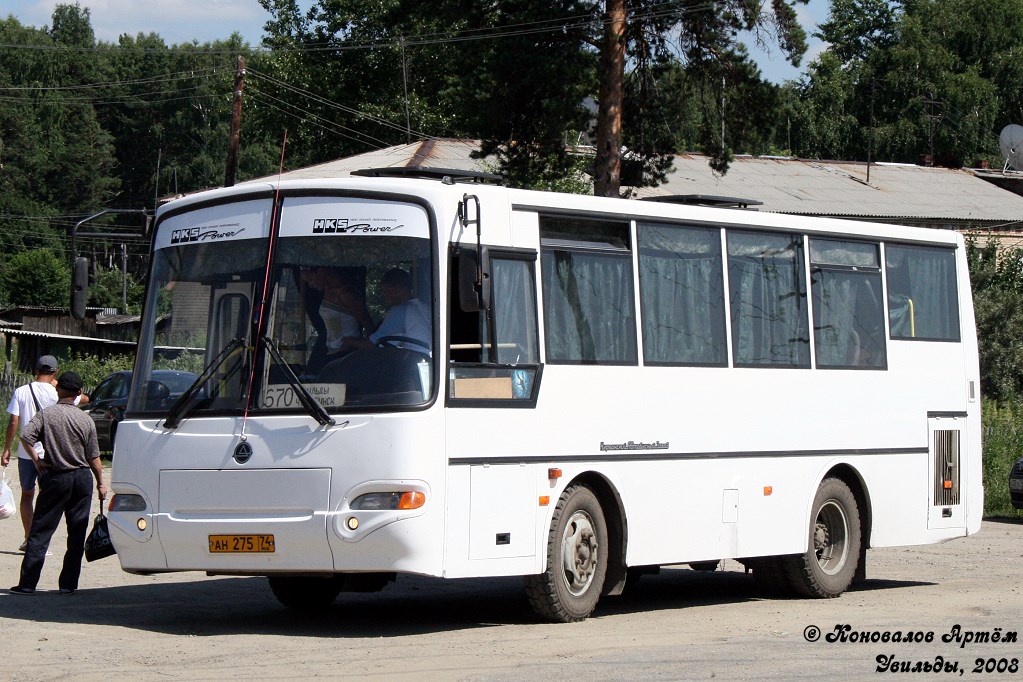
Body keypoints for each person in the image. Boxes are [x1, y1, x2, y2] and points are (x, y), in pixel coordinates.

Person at [10, 371, 106, 596]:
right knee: (76, 532)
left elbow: (26, 435)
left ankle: (27, 584)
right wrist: (101, 482)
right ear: (79, 393)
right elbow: (94, 456)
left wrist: (37, 460)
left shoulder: (47, 415)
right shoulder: (86, 419)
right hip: (82, 479)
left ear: (57, 389)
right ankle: (68, 584)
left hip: (56, 477)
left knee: (41, 530)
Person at [2, 355, 61, 551]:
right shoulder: (57, 393)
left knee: (27, 495)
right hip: (50, 453)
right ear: (55, 372)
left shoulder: (21, 391)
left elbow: (13, 422)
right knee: (46, 497)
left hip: (27, 453)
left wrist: (7, 449)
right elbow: (83, 398)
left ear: (35, 370)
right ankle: (40, 541)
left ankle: (28, 538)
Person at [342, 268, 431, 352]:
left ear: (396, 290)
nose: (385, 296)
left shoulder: (399, 312)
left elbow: (370, 345)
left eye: (385, 291)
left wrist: (348, 341)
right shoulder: (425, 308)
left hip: (413, 361)